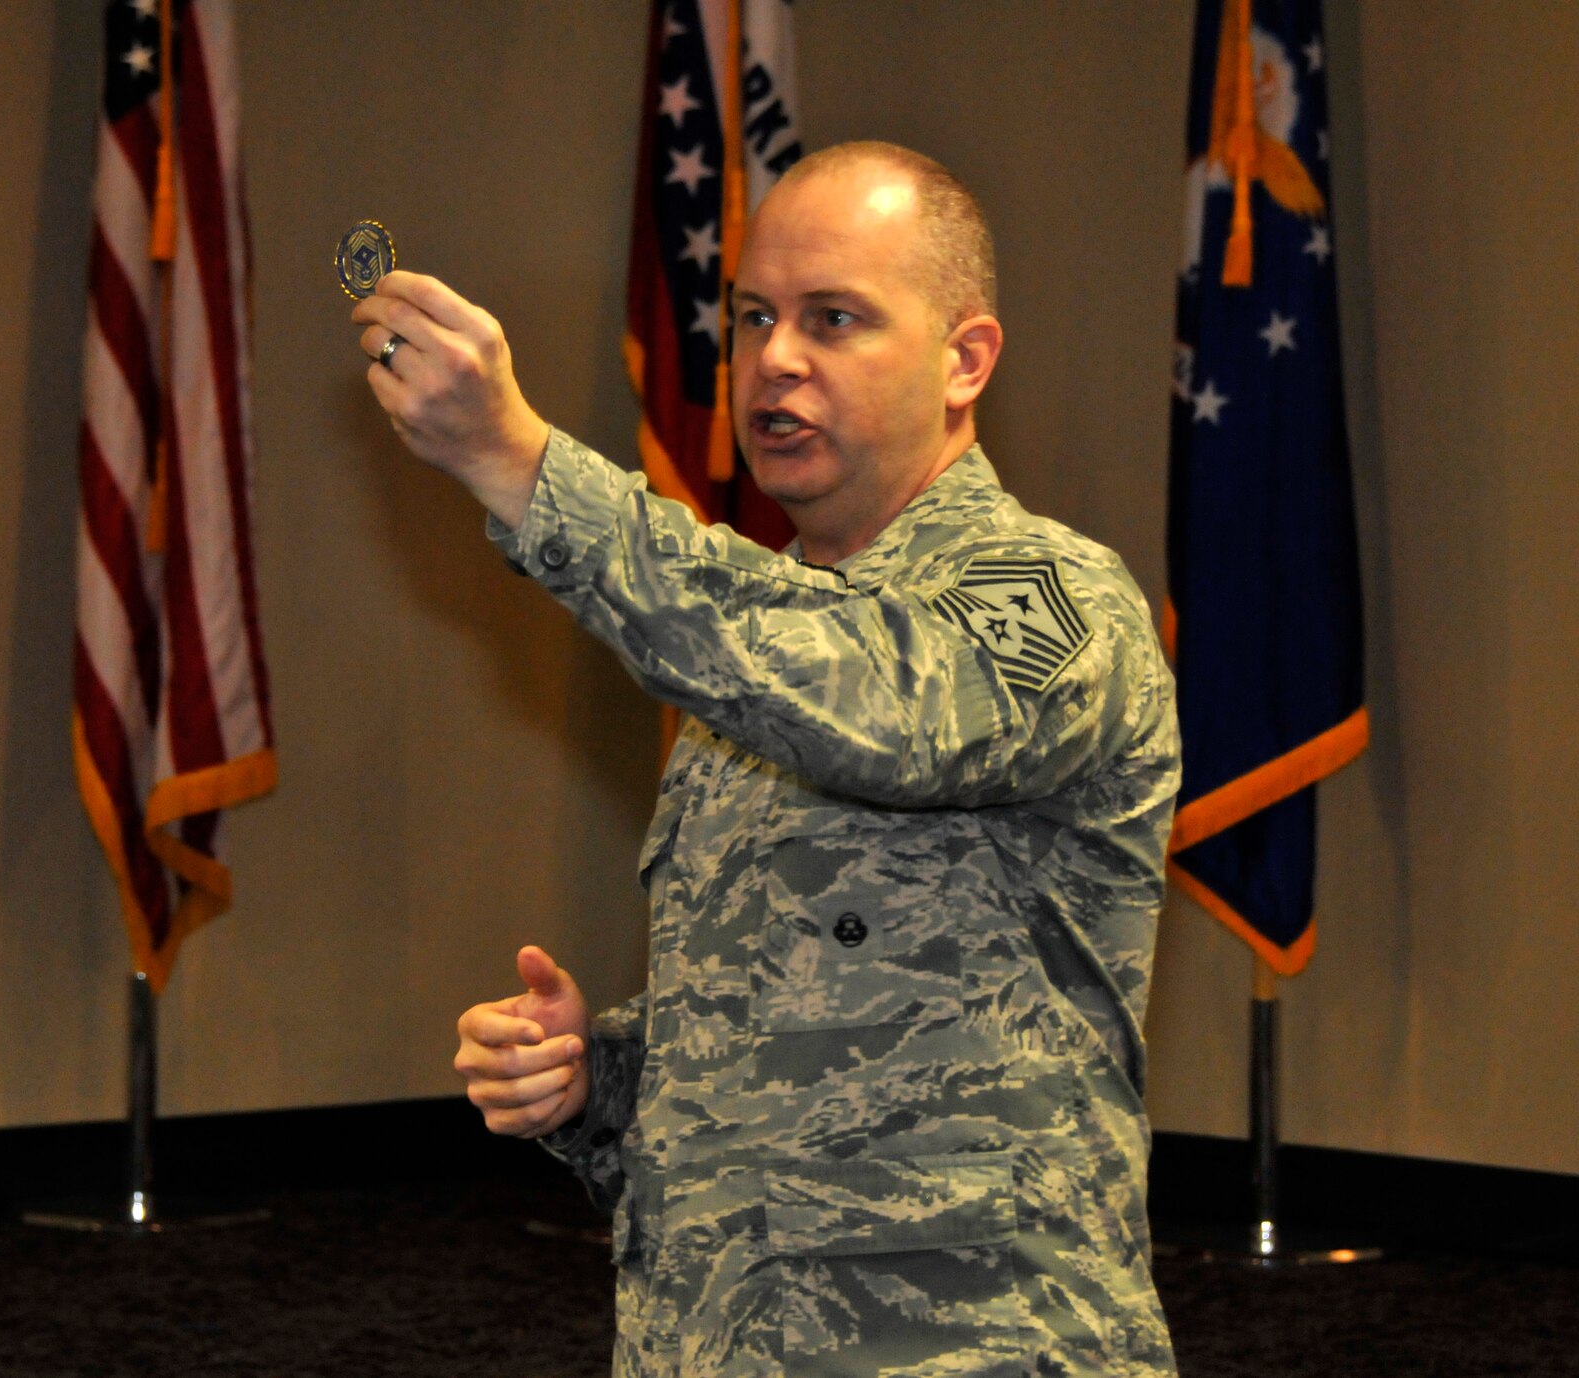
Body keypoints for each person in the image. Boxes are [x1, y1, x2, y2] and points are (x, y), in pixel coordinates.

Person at [355, 141, 1180, 1378]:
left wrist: (518, 463)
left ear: (966, 360)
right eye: (751, 319)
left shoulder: (1053, 599)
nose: (774, 360)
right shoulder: (753, 648)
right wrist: (595, 1078)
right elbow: (794, 1038)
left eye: (834, 319)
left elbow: (885, 707)